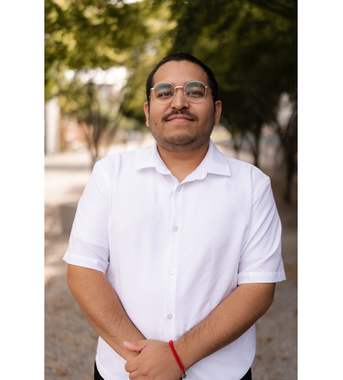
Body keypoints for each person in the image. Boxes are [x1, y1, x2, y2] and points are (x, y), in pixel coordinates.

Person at [64, 53, 286, 380]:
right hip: (125, 372)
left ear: (217, 109)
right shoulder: (110, 174)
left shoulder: (252, 185)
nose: (178, 101)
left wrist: (177, 358)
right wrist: (144, 362)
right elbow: (83, 270)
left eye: (195, 91)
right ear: (147, 110)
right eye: (164, 92)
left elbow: (258, 287)